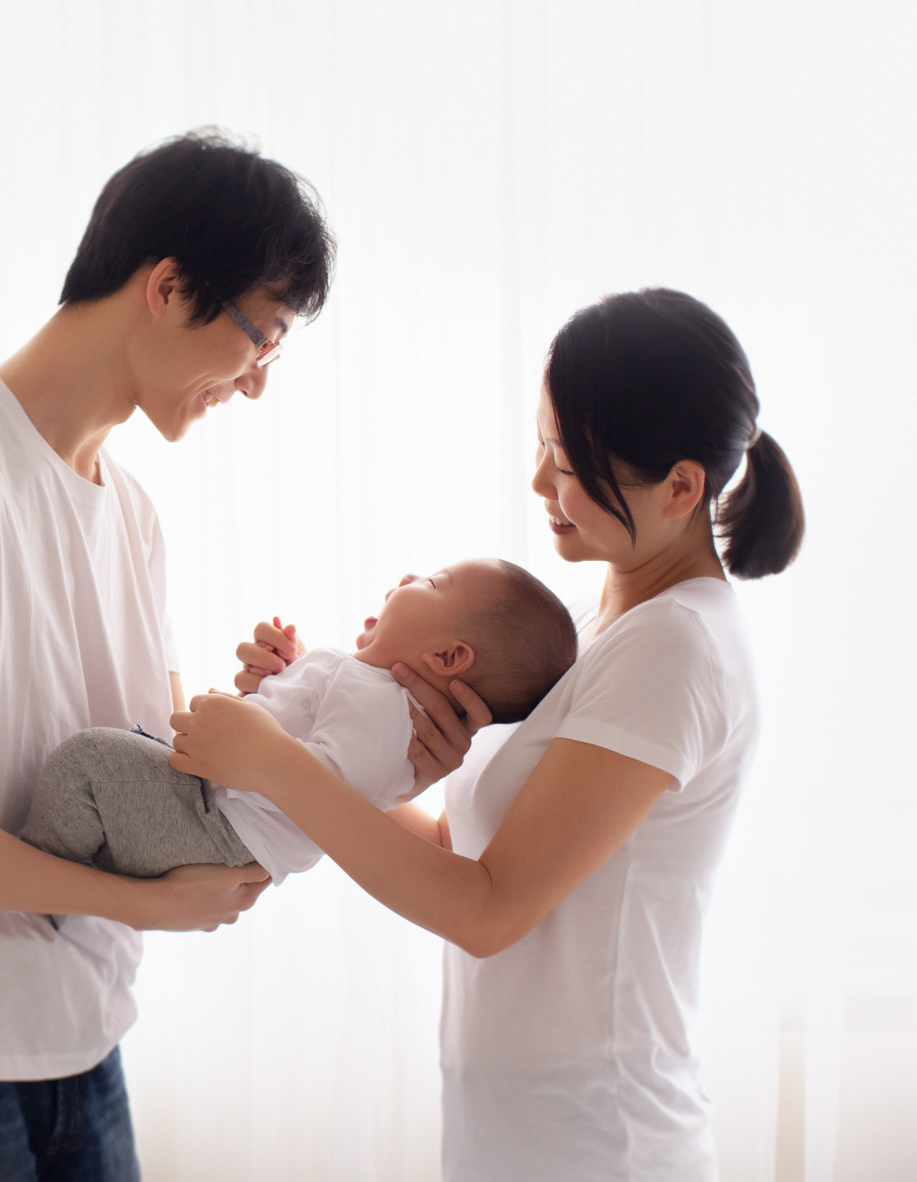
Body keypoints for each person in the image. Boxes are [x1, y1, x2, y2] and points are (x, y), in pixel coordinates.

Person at [167, 287, 803, 1181]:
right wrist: (310, 720)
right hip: (523, 1132)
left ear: (683, 486)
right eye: (543, 445)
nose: (541, 483)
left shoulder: (676, 645)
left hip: (600, 1143)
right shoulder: (595, 625)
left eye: (569, 461)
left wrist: (274, 765)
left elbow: (488, 910)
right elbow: (457, 855)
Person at [0, 131, 336, 1181]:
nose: (259, 382)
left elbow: (132, 769)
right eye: (261, 337)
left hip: (80, 1041)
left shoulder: (127, 508)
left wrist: (259, 717)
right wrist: (147, 906)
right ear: (168, 286)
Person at [20, 558, 576, 889]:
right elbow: (327, 753)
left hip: (220, 823)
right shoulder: (370, 693)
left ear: (449, 658)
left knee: (87, 762)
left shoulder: (384, 707)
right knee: (109, 758)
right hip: (217, 809)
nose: (408, 576)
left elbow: (324, 793)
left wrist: (245, 746)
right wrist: (290, 680)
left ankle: (41, 877)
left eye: (431, 583)